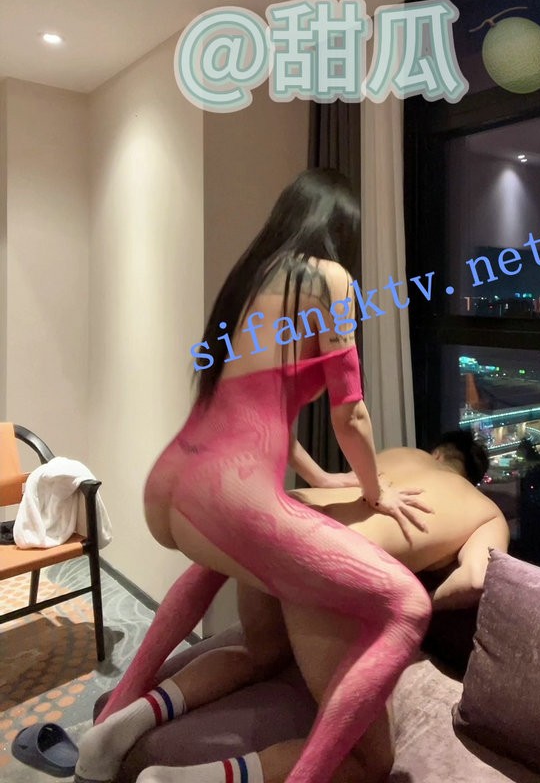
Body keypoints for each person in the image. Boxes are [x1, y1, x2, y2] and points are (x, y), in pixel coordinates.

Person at [74, 169, 433, 783]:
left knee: (218, 567)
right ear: (340, 230)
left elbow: (259, 407)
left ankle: (111, 723)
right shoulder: (329, 278)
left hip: (172, 482)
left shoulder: (248, 280)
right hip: (228, 492)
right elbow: (351, 413)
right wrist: (376, 491)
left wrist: (317, 474)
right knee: (407, 606)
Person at [76, 433, 509, 783]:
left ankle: (118, 728)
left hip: (276, 518)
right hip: (329, 556)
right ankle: (181, 779)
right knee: (368, 761)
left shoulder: (402, 454)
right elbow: (474, 579)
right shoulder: (486, 511)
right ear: (471, 479)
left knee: (259, 651)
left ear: (437, 454)